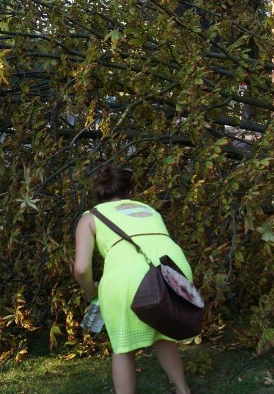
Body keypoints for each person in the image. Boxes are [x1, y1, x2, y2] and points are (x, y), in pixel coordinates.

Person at [72, 164, 193, 394]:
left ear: (98, 193)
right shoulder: (149, 210)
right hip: (174, 271)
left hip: (126, 279)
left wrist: (91, 292)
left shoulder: (91, 217)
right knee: (163, 332)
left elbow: (81, 268)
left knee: (123, 346)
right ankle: (183, 390)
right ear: (129, 192)